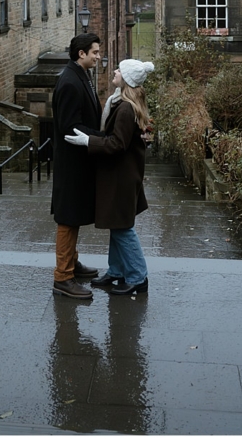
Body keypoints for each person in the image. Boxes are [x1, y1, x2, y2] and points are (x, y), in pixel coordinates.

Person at [66, 58, 155, 295]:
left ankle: (138, 277)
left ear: (126, 79)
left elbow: (118, 144)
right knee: (118, 226)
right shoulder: (121, 102)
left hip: (122, 178)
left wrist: (89, 141)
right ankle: (116, 270)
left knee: (123, 228)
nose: (115, 71)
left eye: (119, 70)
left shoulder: (125, 108)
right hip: (120, 176)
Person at [50, 32, 103, 298]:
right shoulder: (70, 82)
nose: (98, 55)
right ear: (81, 53)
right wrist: (100, 138)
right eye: (94, 51)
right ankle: (63, 277)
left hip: (79, 162)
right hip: (71, 164)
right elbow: (69, 127)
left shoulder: (80, 75)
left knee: (73, 215)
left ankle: (72, 263)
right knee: (67, 219)